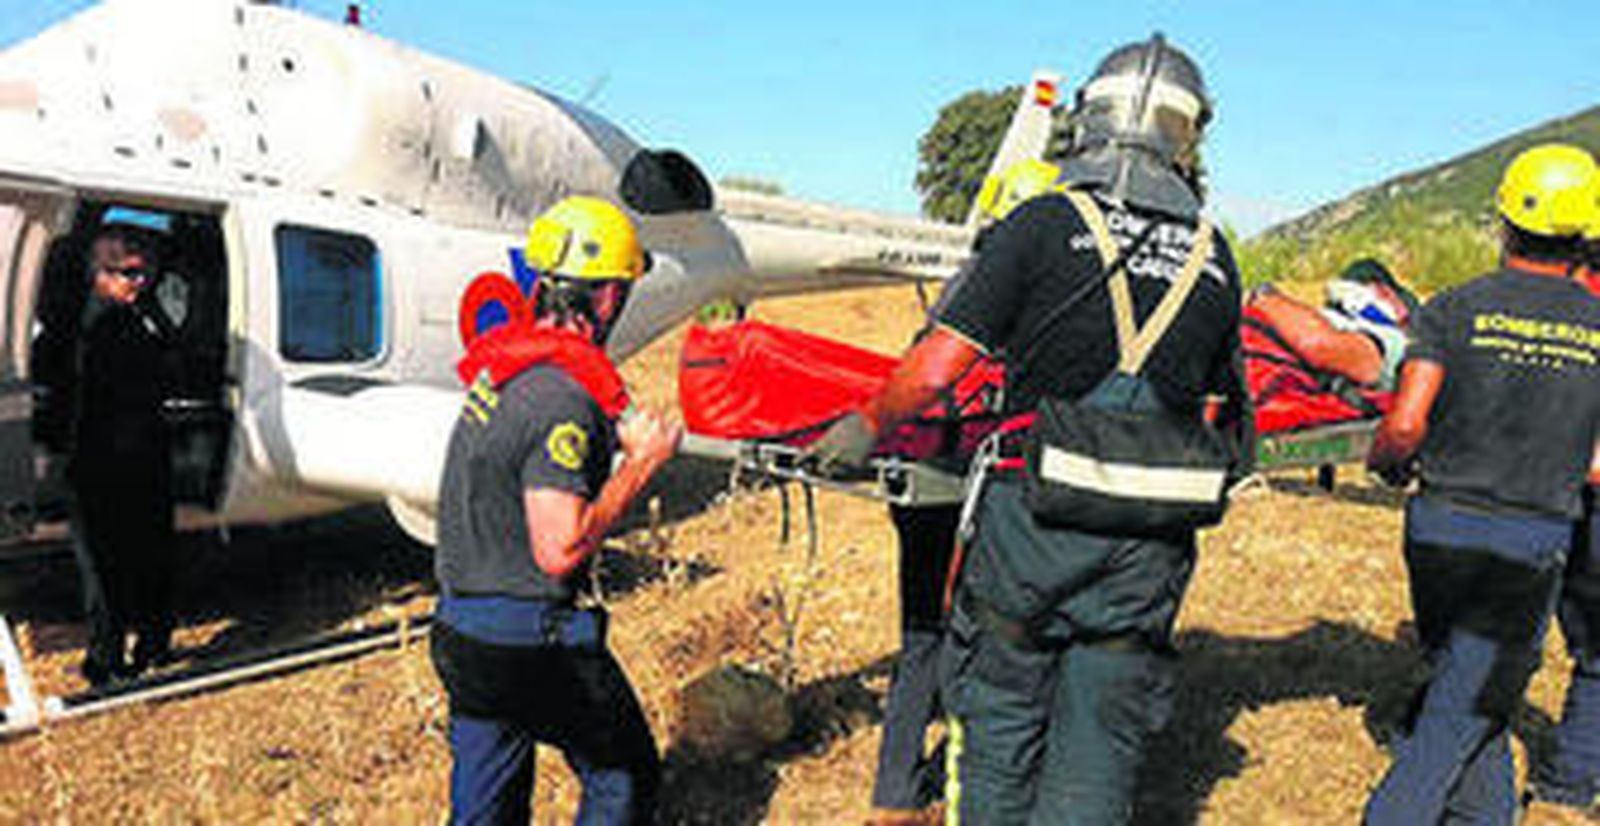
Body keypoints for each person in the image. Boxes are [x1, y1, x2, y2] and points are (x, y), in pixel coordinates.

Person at [811, 35, 1249, 824]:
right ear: (1188, 135)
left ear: (1090, 117)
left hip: (1033, 525)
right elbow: (1217, 412)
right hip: (1147, 543)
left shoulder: (1044, 222)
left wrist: (866, 424)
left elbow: (939, 366)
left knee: (998, 724)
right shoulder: (1214, 254)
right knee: (1101, 745)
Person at [1364, 143, 1600, 824]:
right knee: (1457, 717)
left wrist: (1387, 464)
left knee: (1470, 691)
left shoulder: (1453, 307)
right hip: (1529, 540)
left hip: (1439, 527)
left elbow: (1404, 424)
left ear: (1504, 221)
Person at [428, 196, 680, 824]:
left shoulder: (504, 369)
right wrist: (643, 463)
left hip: (461, 630)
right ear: (607, 298)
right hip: (528, 638)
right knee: (623, 776)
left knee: (487, 804)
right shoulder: (563, 398)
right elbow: (559, 547)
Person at [868, 160, 1057, 825]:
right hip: (978, 482)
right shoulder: (1034, 291)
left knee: (922, 628)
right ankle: (973, 781)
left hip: (922, 471)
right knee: (988, 637)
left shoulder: (963, 285)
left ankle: (893, 791)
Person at [67, 218, 179, 688]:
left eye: (143, 272)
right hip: (110, 461)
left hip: (127, 460)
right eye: (129, 273)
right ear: (99, 273)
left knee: (122, 561)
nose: (140, 281)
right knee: (116, 563)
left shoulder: (128, 317)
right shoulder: (101, 324)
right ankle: (127, 652)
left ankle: (121, 655)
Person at [1527, 162, 1600, 815]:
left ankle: (1443, 742)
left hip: (1536, 488)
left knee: (1497, 634)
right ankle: (1567, 786)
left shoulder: (1558, 300)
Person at [1245, 258, 1417, 392]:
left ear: (1385, 293)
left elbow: (1318, 345)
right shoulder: (1337, 320)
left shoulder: (1394, 340)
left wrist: (1264, 298)